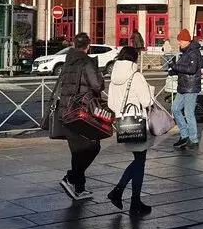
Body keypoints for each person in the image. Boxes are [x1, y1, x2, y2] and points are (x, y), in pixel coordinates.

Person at [54, 32, 106, 200]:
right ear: (88, 46)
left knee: (77, 151)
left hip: (66, 112)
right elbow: (97, 85)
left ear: (74, 45)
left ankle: (79, 188)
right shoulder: (86, 61)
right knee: (92, 147)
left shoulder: (68, 62)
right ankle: (71, 178)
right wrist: (100, 75)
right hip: (82, 113)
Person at [105, 46, 155, 216]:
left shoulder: (114, 77)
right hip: (137, 122)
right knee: (140, 161)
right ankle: (121, 192)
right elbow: (147, 101)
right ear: (134, 59)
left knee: (139, 160)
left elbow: (111, 104)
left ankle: (133, 200)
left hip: (124, 123)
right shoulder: (136, 76)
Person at [169, 28, 203, 151]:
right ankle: (184, 135)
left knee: (189, 113)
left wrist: (176, 66)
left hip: (191, 87)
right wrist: (173, 70)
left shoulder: (193, 52)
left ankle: (193, 140)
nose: (179, 43)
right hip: (183, 86)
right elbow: (182, 67)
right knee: (175, 108)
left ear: (187, 40)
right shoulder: (185, 52)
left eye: (181, 40)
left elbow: (192, 69)